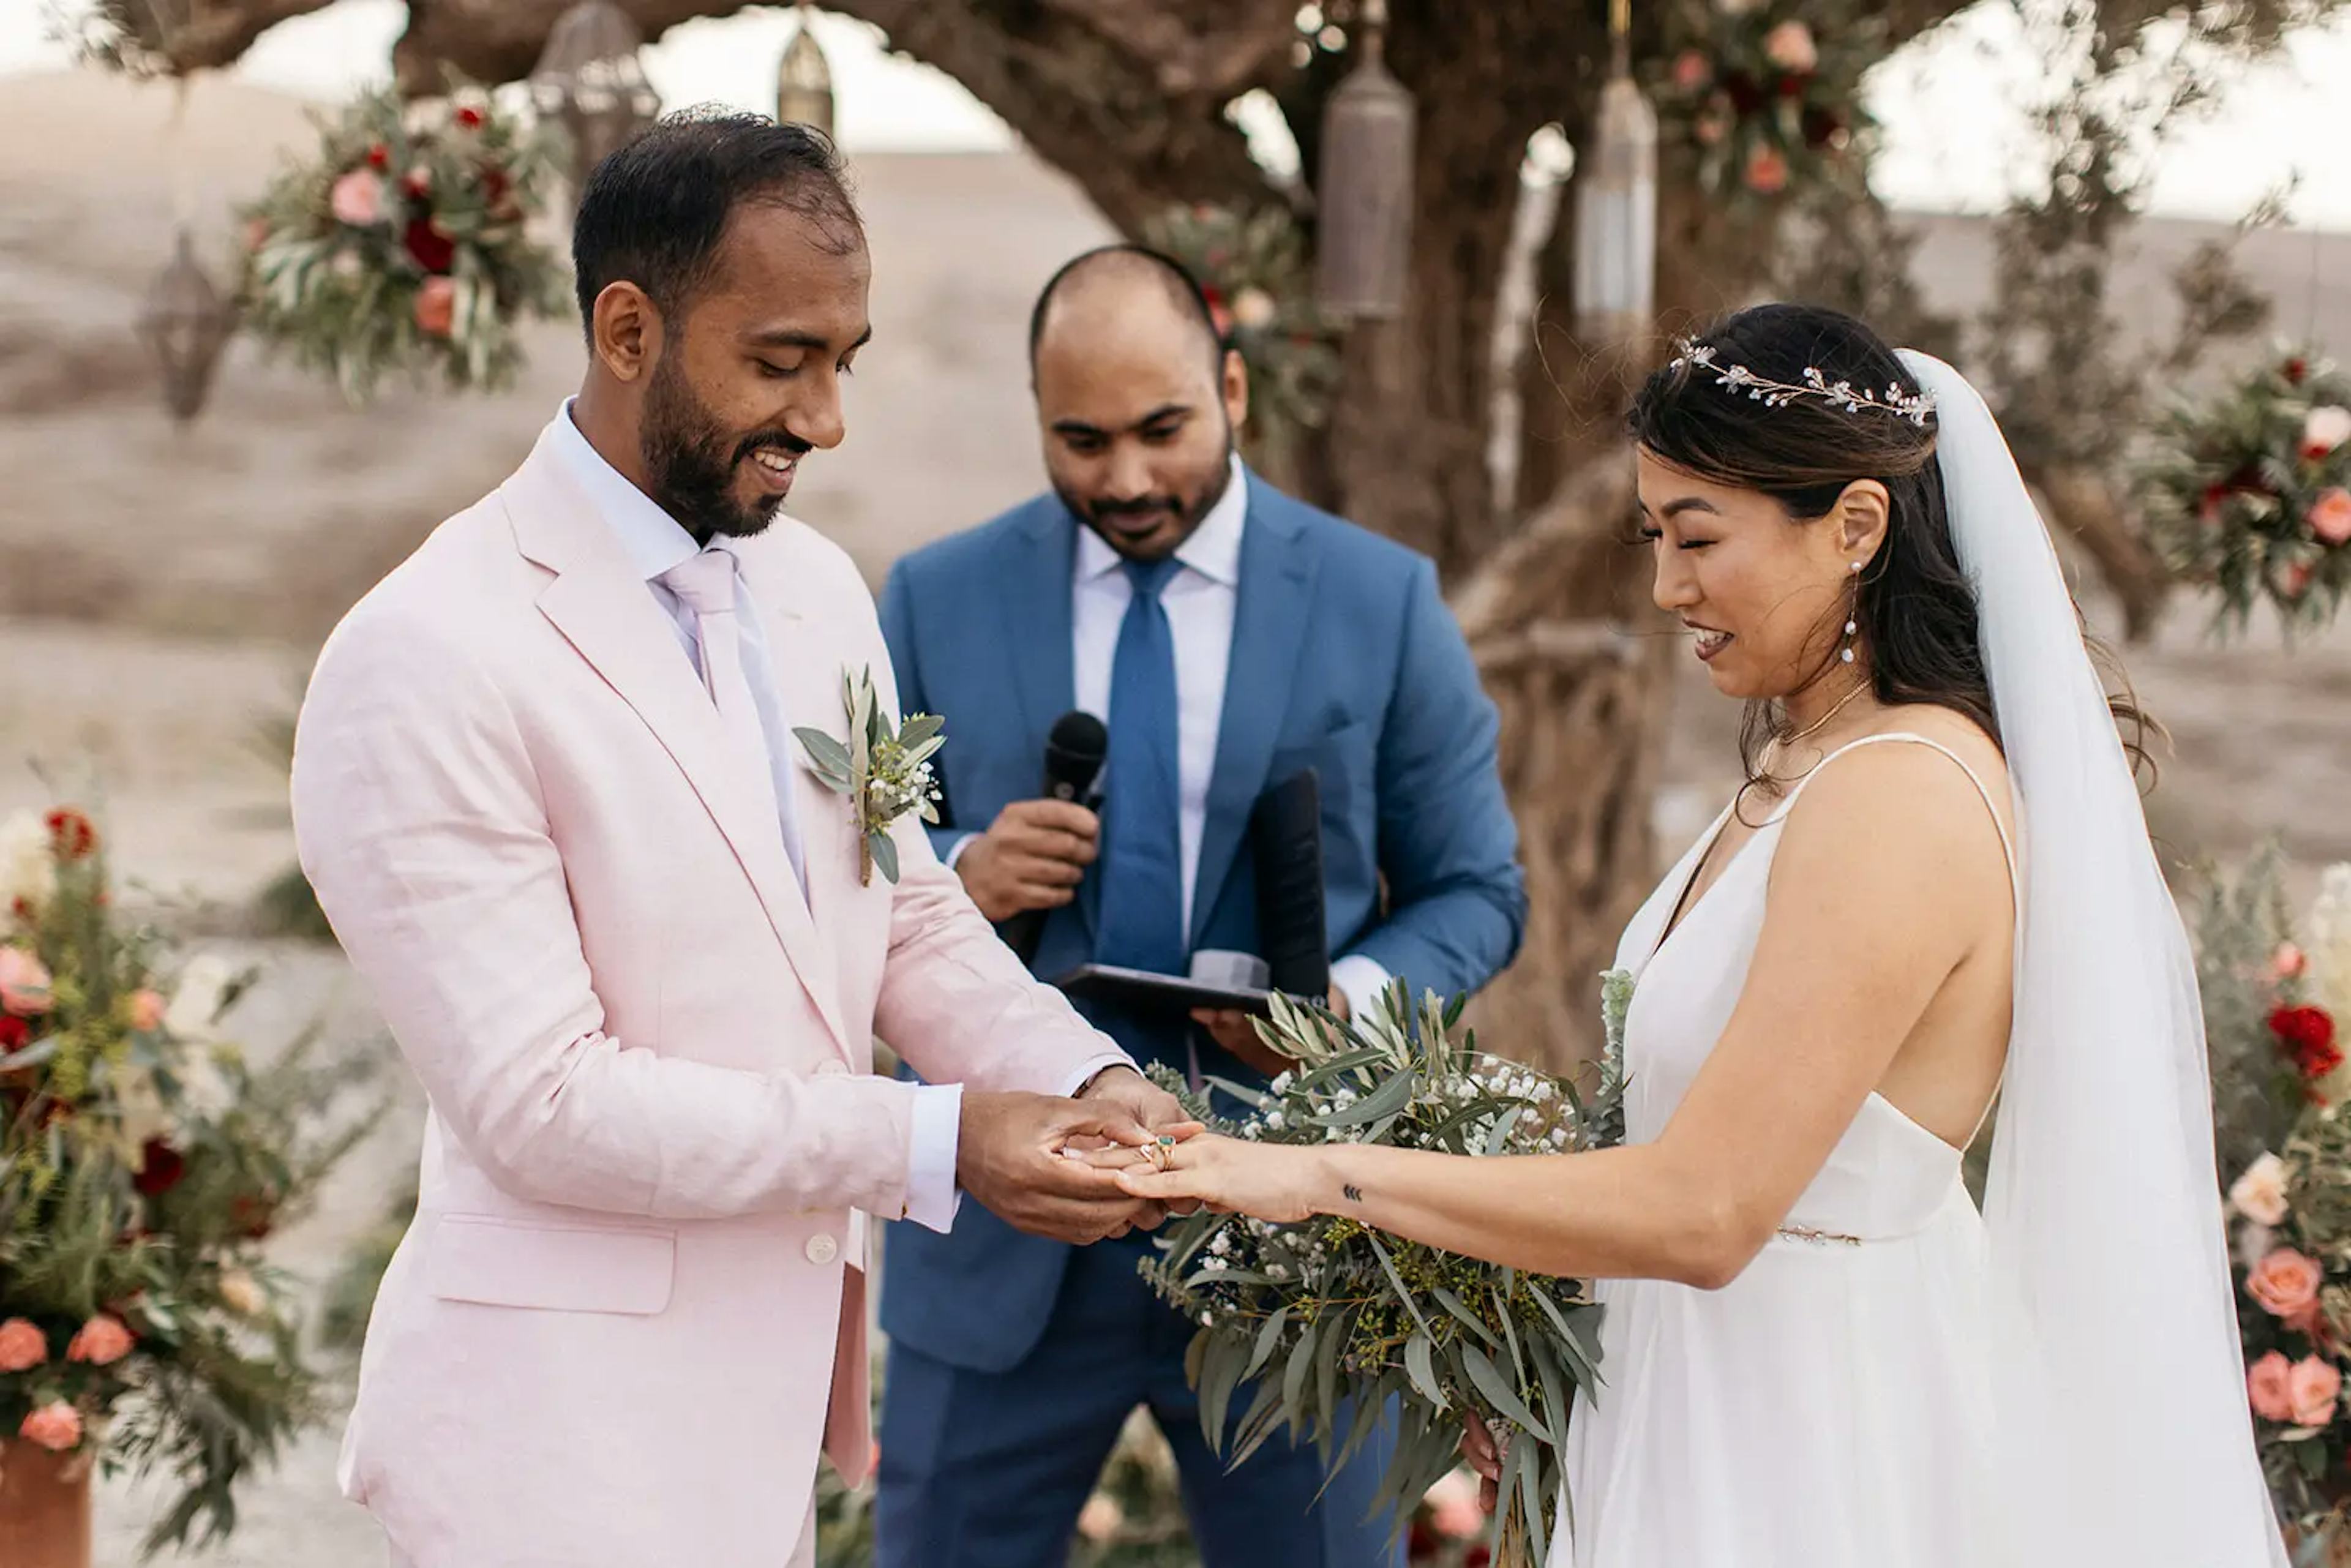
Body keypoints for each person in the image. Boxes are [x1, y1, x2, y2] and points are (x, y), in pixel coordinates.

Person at [1111, 304, 2286, 1566]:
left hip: (1805, 1428)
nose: (1667, 586)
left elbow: (1713, 1206)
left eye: (1699, 539)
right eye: (1655, 536)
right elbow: (1683, 1128)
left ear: (1854, 527)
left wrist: (1320, 1174)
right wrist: (1526, 1321)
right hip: (1690, 1377)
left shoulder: (1898, 796)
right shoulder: (1806, 757)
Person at [290, 114, 1188, 1568]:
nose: (828, 418)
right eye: (782, 362)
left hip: (759, 1425)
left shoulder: (819, 588)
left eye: (846, 360)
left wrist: (1075, 1073)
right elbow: (543, 1105)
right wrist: (939, 1141)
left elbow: (898, 913)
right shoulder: (426, 651)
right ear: (628, 329)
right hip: (551, 1445)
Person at [872, 245, 1526, 1567]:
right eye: (1082, 440)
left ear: (1234, 387)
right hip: (1010, 1234)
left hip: (1290, 1230)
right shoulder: (933, 597)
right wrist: (959, 875)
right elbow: (844, 871)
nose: (1123, 480)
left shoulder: (1380, 599)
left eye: (1162, 430)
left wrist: (1337, 1009)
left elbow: (1476, 890)